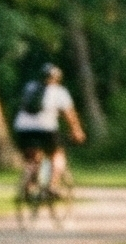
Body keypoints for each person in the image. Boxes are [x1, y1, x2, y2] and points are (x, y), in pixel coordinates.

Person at [13, 62, 87, 194]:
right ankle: (52, 187)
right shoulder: (59, 91)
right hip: (46, 128)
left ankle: (29, 183)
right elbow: (69, 115)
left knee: (32, 157)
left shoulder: (29, 87)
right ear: (57, 78)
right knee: (57, 155)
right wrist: (77, 131)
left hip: (22, 127)